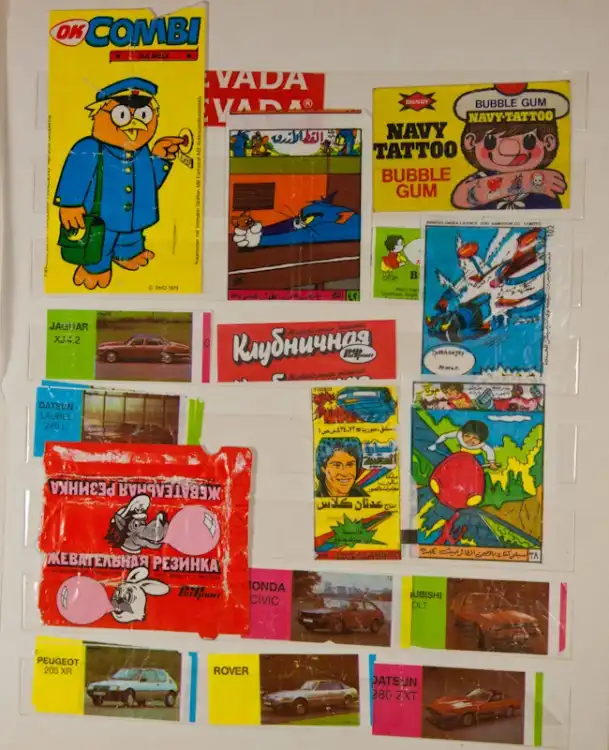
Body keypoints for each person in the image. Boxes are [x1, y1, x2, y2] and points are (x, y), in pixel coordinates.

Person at [54, 77, 185, 290]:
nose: (135, 124)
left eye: (144, 115)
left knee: (131, 236)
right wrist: (69, 204)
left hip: (134, 217)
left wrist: (160, 157)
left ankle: (127, 255)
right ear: (99, 113)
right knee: (101, 242)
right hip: (102, 216)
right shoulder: (90, 147)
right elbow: (74, 175)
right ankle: (95, 269)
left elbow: (149, 184)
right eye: (122, 115)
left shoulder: (142, 151)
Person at [428, 420, 497, 469]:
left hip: (476, 458)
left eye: (475, 438)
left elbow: (489, 450)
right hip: (462, 456)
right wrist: (436, 444)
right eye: (467, 436)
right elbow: (445, 436)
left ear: (481, 440)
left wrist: (492, 462)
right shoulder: (459, 434)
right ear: (463, 434)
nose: (470, 440)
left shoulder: (482, 445)